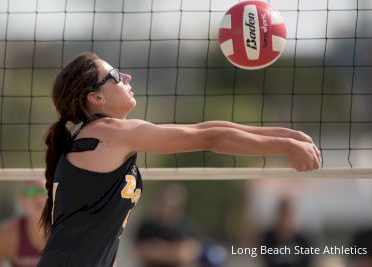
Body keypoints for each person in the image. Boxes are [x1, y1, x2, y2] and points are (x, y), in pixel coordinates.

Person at [37, 52, 321, 267]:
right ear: (95, 97)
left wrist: (285, 135)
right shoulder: (109, 132)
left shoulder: (103, 135)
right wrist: (283, 146)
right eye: (114, 75)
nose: (127, 78)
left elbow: (205, 130)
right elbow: (210, 139)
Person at [134, 183, 201, 267]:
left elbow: (187, 253)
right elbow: (140, 252)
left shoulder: (186, 226)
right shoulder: (148, 226)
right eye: (165, 202)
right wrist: (173, 250)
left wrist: (156, 247)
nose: (167, 207)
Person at [0, 180, 46, 267]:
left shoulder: (68, 234)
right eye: (32, 191)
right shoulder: (8, 235)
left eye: (45, 191)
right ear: (22, 200)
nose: (39, 197)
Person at [261, 195, 313, 267]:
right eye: (283, 213)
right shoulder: (268, 239)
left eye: (288, 214)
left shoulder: (304, 240)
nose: (285, 219)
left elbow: (307, 261)